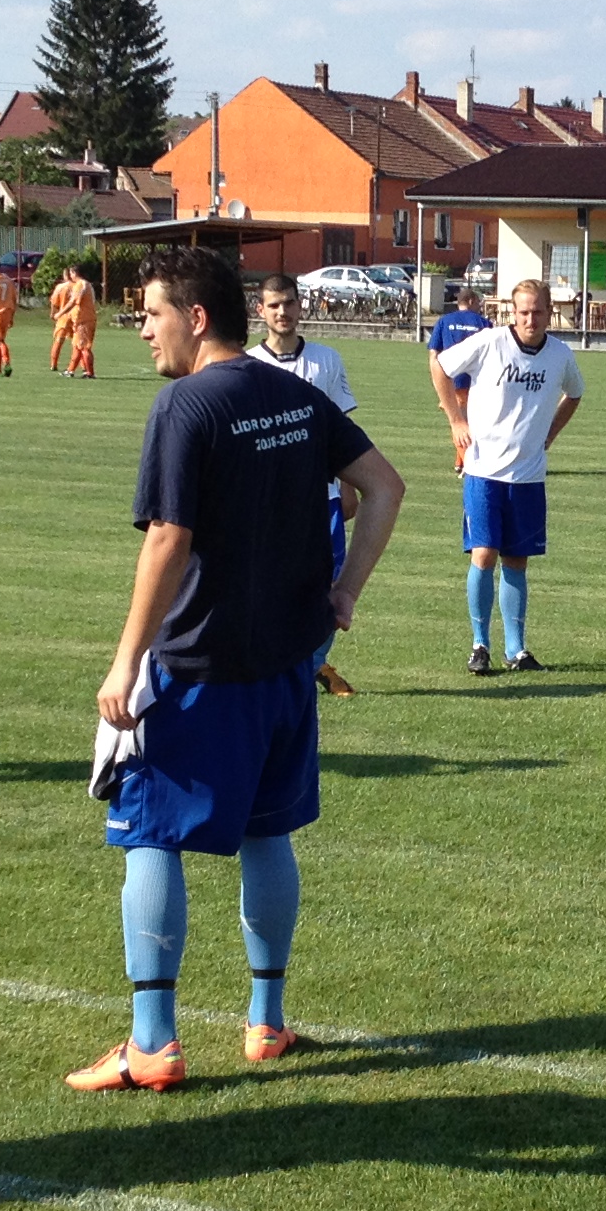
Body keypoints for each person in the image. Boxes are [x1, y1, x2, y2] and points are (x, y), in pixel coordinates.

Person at [69, 248, 404, 1090]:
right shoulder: (295, 394)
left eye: (151, 313)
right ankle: (266, 1022)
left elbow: (168, 538)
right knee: (267, 831)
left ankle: (153, 1043)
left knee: (150, 831)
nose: (142, 329)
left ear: (196, 317)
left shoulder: (185, 403)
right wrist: (344, 594)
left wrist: (124, 662)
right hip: (286, 664)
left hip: (200, 665)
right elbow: (386, 486)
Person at [436, 275, 584, 674]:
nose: (530, 320)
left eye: (538, 312)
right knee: (484, 554)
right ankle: (479, 644)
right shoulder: (490, 342)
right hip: (483, 471)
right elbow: (441, 366)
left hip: (529, 477)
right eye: (523, 312)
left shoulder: (559, 355)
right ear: (512, 313)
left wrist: (550, 433)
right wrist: (455, 419)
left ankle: (516, 649)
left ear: (550, 313)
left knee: (517, 560)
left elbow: (575, 393)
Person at [250, 270, 367, 697]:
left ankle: (314, 662)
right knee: (270, 584)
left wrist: (349, 485)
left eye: (289, 303)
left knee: (329, 586)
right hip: (271, 501)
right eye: (274, 305)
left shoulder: (327, 360)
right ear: (260, 310)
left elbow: (343, 431)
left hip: (325, 497)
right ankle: (284, 665)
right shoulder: (249, 364)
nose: (283, 312)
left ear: (301, 306)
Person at [426, 285, 491, 468]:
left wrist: (437, 382)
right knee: (470, 424)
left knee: (458, 422)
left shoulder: (444, 321)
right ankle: (465, 462)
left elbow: (433, 354)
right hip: (476, 381)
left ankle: (464, 462)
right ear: (471, 301)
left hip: (451, 380)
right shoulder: (483, 323)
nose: (479, 307)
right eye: (478, 303)